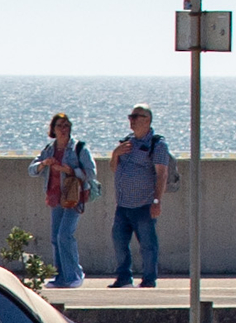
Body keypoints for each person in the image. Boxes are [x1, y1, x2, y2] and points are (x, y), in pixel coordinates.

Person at [106, 103, 173, 288]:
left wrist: (157, 201)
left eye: (136, 117)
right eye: (131, 117)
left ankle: (149, 279)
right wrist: (115, 154)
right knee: (119, 241)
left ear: (148, 120)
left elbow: (162, 174)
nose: (132, 120)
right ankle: (123, 277)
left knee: (147, 244)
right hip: (123, 204)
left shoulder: (157, 145)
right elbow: (114, 168)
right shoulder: (127, 142)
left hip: (144, 204)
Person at [28, 111, 96, 289]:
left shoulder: (78, 148)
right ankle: (60, 277)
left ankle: (74, 274)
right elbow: (32, 169)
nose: (63, 129)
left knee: (65, 235)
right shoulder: (50, 149)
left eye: (66, 126)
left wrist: (70, 170)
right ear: (53, 129)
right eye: (60, 126)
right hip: (55, 198)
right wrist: (44, 164)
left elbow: (91, 172)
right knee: (55, 237)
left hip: (73, 197)